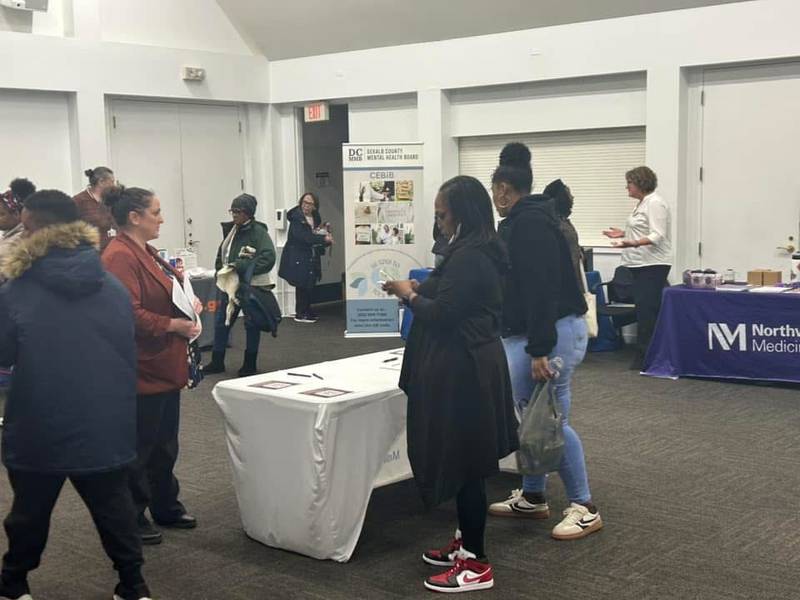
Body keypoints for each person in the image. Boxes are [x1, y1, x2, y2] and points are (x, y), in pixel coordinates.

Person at [0, 190, 152, 600]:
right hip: (105, 419)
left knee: (29, 513)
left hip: (39, 421)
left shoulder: (16, 291)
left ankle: (13, 585)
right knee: (115, 510)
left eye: (24, 227)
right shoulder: (112, 287)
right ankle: (133, 586)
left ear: (37, 231)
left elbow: (3, 353)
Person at [383, 175, 518, 593]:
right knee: (463, 462)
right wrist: (416, 288)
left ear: (460, 213)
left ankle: (476, 563)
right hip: (467, 365)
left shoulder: (472, 256)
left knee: (467, 464)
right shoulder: (471, 249)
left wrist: (409, 296)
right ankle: (465, 541)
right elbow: (447, 292)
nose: (439, 223)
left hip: (467, 372)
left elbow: (443, 313)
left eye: (442, 215)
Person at [487, 143, 603, 540]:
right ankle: (534, 495)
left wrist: (539, 349)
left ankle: (584, 506)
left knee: (550, 421)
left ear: (504, 190)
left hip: (550, 334)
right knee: (533, 416)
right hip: (541, 332)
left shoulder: (530, 225)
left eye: (495, 191)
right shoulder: (528, 220)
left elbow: (541, 290)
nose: (495, 199)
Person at [102, 186, 199, 547]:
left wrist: (186, 302)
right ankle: (131, 514)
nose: (162, 218)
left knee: (164, 444)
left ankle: (164, 503)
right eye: (156, 212)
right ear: (134, 217)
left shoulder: (146, 251)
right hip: (141, 367)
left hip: (163, 364)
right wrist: (172, 324)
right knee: (140, 447)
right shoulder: (119, 256)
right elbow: (127, 312)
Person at [602, 166, 672, 369]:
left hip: (652, 264)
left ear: (640, 183)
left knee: (647, 312)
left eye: (629, 184)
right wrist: (623, 234)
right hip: (638, 264)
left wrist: (632, 243)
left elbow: (657, 234)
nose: (627, 187)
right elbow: (642, 229)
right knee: (644, 310)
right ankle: (647, 355)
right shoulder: (642, 203)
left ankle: (647, 358)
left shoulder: (655, 203)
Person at [203, 193, 276, 377]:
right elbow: (222, 254)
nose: (234, 214)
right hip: (229, 285)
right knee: (222, 322)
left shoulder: (259, 233)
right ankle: (217, 362)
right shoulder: (231, 230)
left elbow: (269, 258)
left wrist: (242, 267)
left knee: (252, 324)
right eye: (232, 210)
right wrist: (220, 270)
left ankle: (249, 364)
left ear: (248, 213)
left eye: (238, 211)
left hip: (251, 286)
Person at [278, 192, 332, 323]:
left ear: (314, 206)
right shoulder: (297, 218)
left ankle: (307, 310)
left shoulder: (315, 217)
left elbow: (313, 233)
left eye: (310, 203)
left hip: (310, 254)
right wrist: (323, 239)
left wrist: (324, 232)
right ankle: (300, 313)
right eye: (304, 202)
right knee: (301, 283)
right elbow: (304, 237)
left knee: (310, 282)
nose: (306, 206)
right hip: (298, 255)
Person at [544, 178, 585, 293]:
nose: (572, 197)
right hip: (564, 282)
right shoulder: (555, 224)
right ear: (562, 198)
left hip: (574, 276)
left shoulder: (564, 221)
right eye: (569, 194)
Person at [73, 166, 117, 251]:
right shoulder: (78, 201)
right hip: (92, 252)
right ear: (101, 182)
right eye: (112, 182)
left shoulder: (111, 199)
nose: (114, 186)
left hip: (113, 250)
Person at [0, 179, 35, 281]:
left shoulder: (20, 239)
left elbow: (5, 273)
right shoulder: (7, 236)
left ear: (16, 214)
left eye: (1, 214)